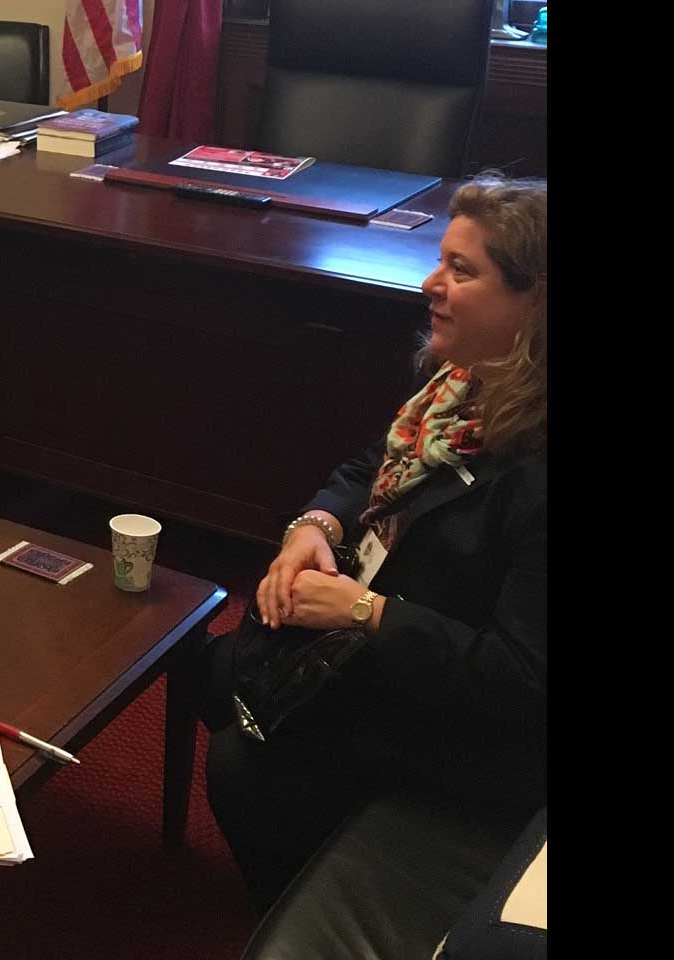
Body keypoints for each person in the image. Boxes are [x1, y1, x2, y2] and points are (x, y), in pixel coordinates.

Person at [203, 175, 548, 911]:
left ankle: (289, 896)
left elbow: (521, 681)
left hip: (462, 724)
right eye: (440, 261)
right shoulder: (460, 388)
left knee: (242, 763)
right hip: (378, 631)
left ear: (534, 304)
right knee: (217, 672)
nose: (432, 284)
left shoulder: (537, 468)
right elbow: (367, 470)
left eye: (463, 270)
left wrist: (365, 613)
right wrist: (314, 527)